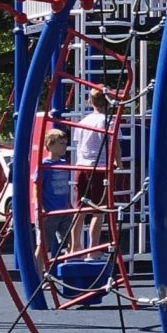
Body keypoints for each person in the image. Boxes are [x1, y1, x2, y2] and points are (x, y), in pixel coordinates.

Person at [64, 87, 112, 250]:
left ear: (90, 101)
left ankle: (75, 247)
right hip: (99, 168)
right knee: (98, 210)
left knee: (80, 208)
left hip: (81, 166)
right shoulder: (108, 121)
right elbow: (114, 146)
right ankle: (93, 249)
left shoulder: (83, 121)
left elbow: (79, 144)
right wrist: (118, 163)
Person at [37, 128, 75, 256]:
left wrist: (68, 203)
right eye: (61, 144)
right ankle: (37, 267)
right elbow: (36, 187)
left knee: (72, 240)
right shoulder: (44, 165)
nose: (64, 147)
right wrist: (40, 207)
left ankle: (69, 262)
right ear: (50, 145)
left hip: (63, 210)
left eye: (66, 144)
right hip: (49, 211)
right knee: (43, 245)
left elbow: (65, 186)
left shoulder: (64, 163)